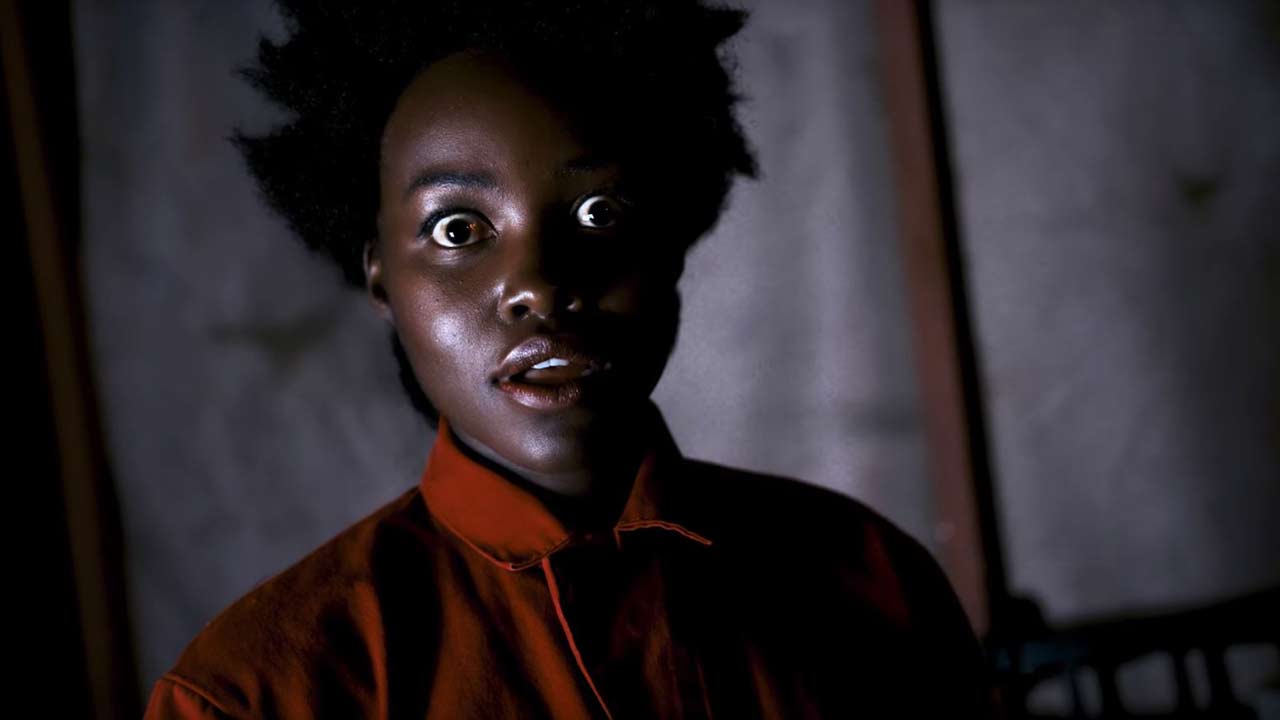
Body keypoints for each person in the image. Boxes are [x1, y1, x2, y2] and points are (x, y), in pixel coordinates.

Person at [145, 0, 996, 717]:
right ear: (381, 277)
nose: (540, 287)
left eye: (599, 213)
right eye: (458, 229)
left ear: (669, 246)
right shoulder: (255, 695)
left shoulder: (872, 581)